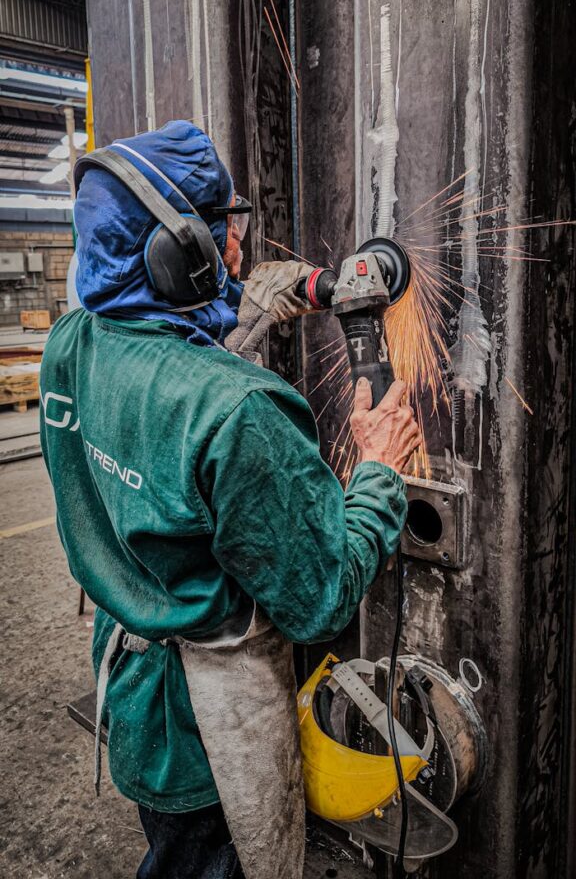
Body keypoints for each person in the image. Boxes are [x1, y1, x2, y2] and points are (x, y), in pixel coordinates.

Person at [40, 121, 421, 879]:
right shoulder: (240, 411)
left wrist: (318, 289)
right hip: (208, 730)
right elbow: (320, 599)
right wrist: (378, 472)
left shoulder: (75, 340)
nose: (235, 249)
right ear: (177, 257)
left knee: (172, 853)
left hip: (134, 689)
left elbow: (221, 318)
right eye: (219, 235)